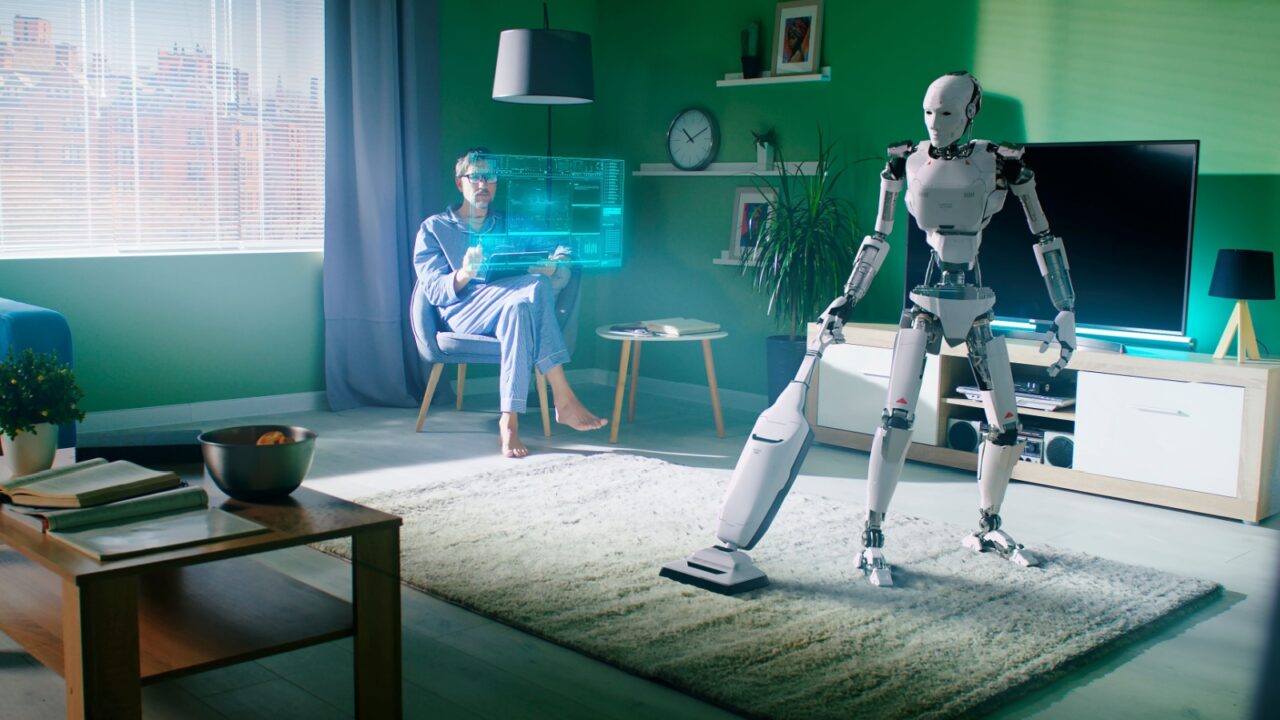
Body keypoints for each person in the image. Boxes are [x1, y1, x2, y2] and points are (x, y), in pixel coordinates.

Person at [412, 148, 606, 458]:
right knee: (535, 287)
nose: (483, 184)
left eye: (490, 177)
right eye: (476, 176)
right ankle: (563, 396)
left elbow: (562, 243)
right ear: (459, 181)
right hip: (463, 313)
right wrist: (463, 273)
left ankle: (509, 421)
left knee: (519, 308)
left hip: (506, 306)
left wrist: (555, 264)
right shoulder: (434, 228)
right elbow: (433, 290)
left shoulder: (510, 223)